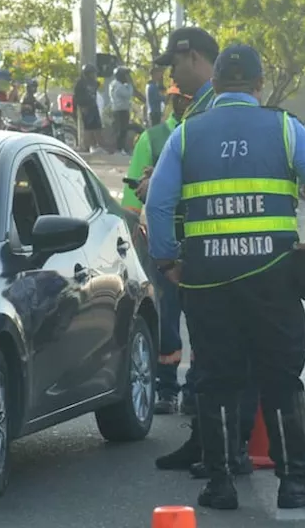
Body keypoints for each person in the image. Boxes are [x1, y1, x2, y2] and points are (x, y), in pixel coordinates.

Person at [145, 44, 305, 511]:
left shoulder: (188, 133)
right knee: (280, 377)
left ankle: (220, 485)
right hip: (273, 278)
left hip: (208, 281)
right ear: (258, 85)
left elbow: (157, 203)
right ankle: (294, 484)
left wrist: (167, 261)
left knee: (215, 379)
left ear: (215, 84)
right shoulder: (284, 127)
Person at [122, 84, 193, 415]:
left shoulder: (204, 133)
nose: (183, 103)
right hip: (160, 242)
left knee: (203, 318)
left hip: (201, 240)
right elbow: (130, 203)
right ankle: (167, 387)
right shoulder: (151, 139)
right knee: (166, 317)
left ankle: (196, 387)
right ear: (173, 100)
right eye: (180, 99)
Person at [73, 65, 103, 152]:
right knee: (88, 128)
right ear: (87, 73)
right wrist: (81, 107)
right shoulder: (80, 83)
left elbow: (95, 90)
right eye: (92, 73)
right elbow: (76, 98)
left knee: (97, 126)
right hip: (85, 107)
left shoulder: (94, 83)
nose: (94, 75)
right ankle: (87, 146)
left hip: (93, 106)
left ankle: (98, 145)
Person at [108, 67, 135, 154]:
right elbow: (128, 95)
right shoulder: (118, 86)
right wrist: (130, 84)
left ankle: (121, 148)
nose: (127, 77)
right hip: (121, 110)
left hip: (118, 109)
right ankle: (119, 149)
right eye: (126, 75)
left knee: (122, 129)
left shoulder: (113, 84)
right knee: (121, 130)